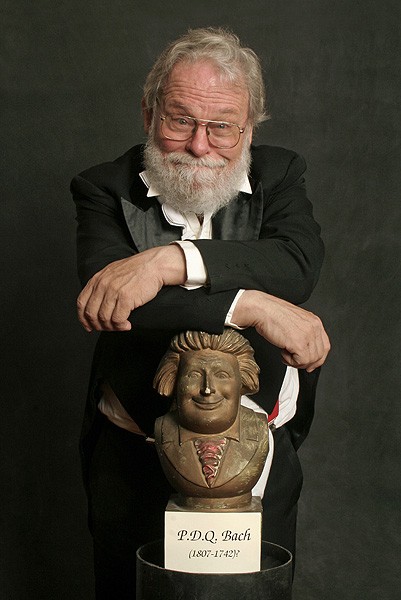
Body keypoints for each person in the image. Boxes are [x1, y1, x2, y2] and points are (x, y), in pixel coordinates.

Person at [71, 27, 330, 599]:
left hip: (261, 456)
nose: (199, 144)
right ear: (149, 114)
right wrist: (251, 304)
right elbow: (112, 302)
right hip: (133, 455)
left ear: (249, 128)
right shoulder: (102, 188)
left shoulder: (280, 174)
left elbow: (294, 264)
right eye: (181, 120)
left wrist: (170, 261)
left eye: (222, 126)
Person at [153, 328, 269, 509]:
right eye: (194, 375)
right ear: (175, 381)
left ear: (242, 381)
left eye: (222, 375)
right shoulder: (163, 429)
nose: (207, 389)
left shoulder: (259, 428)